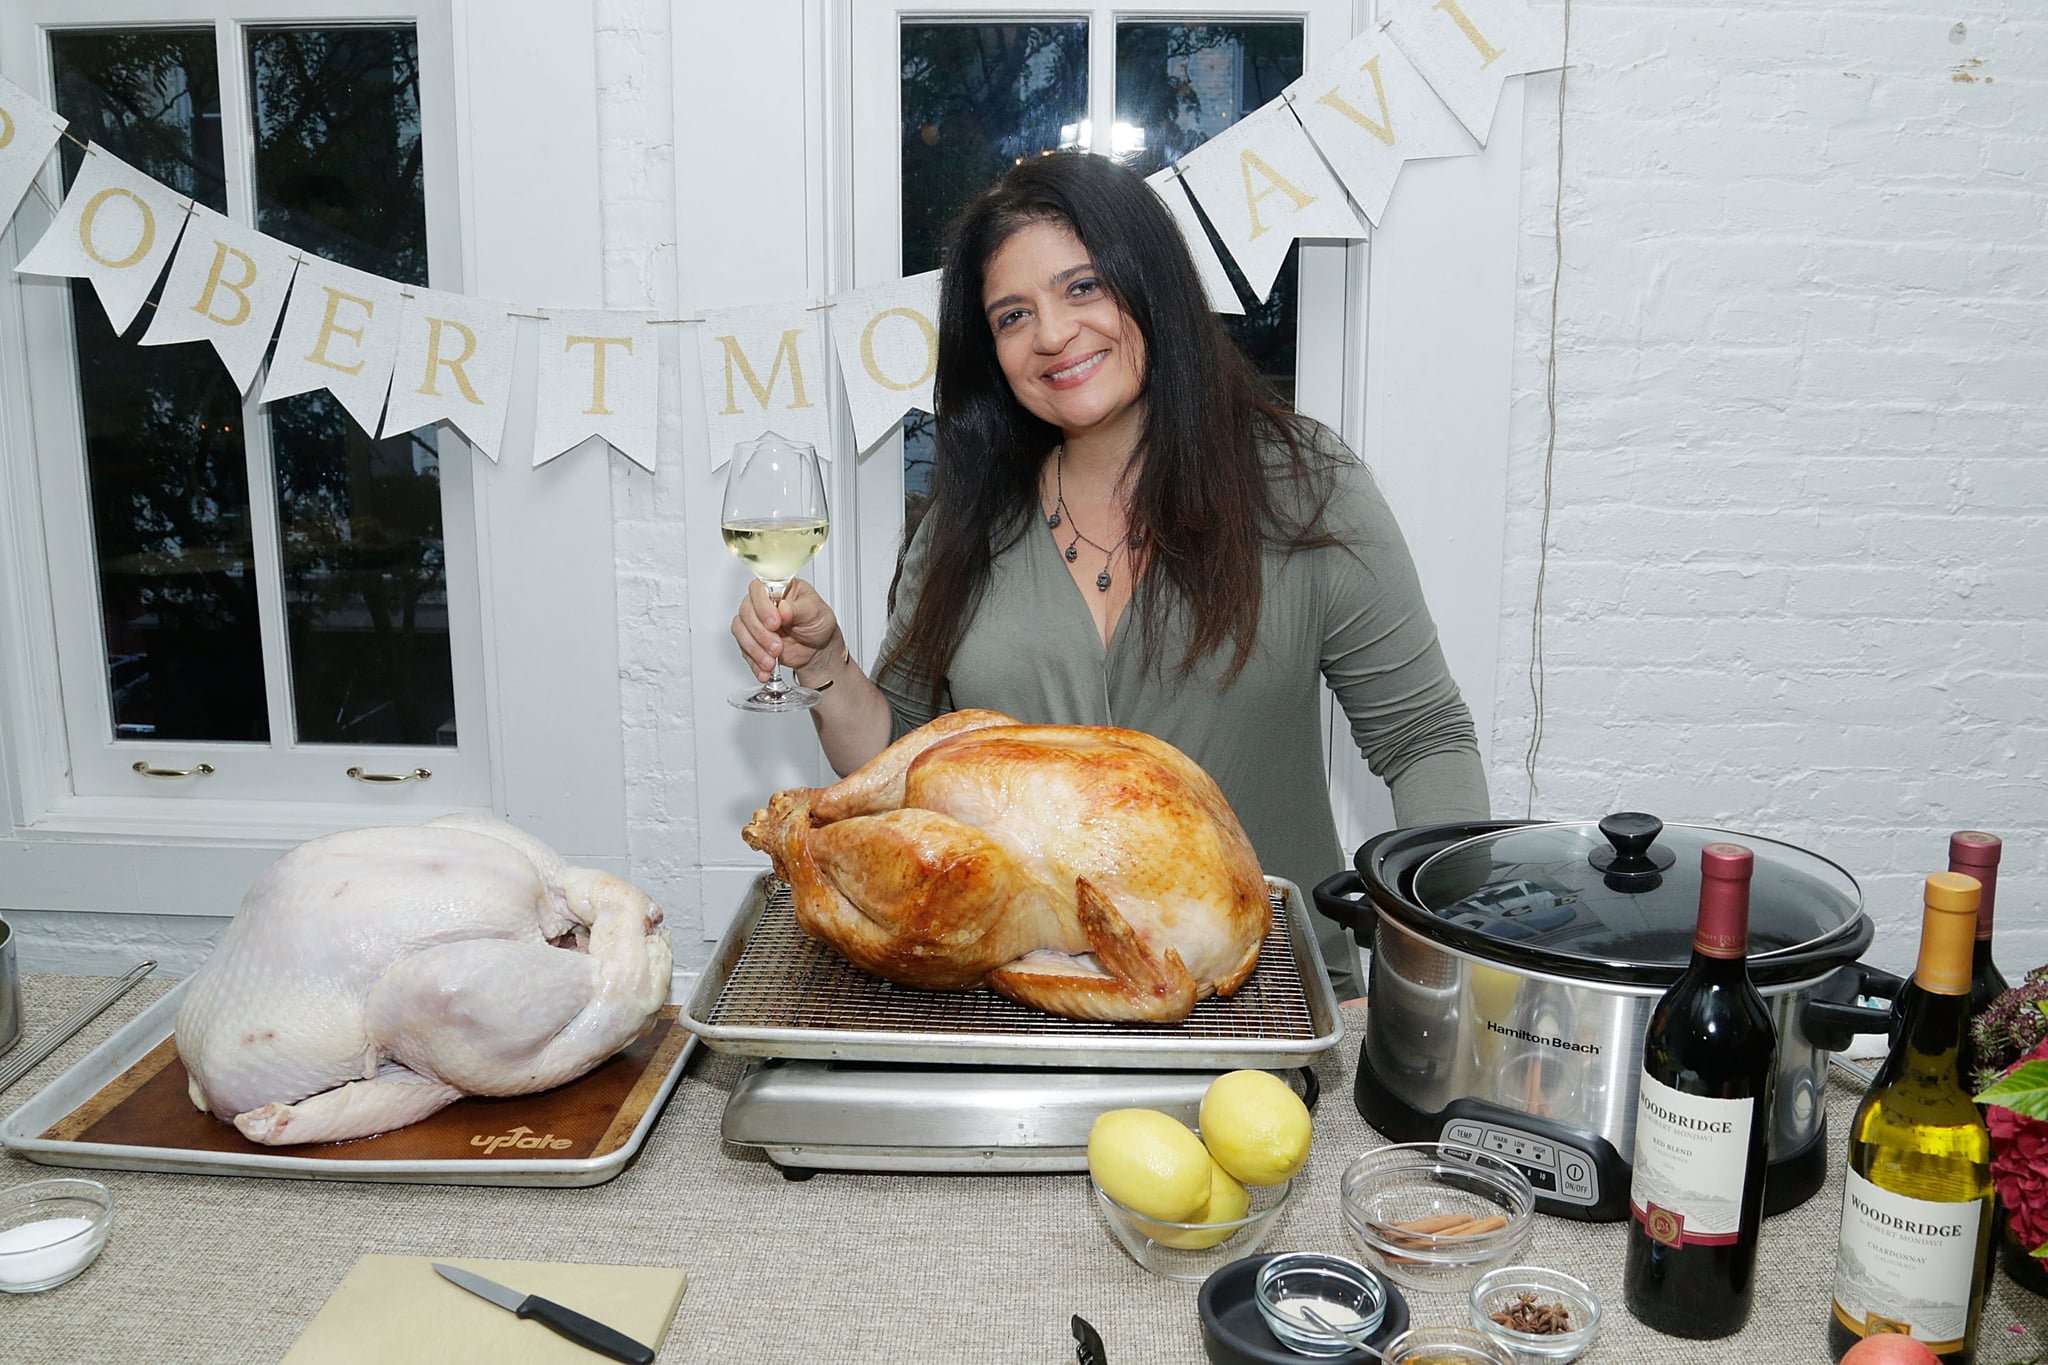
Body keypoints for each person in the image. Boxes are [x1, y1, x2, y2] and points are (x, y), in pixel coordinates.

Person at [731, 151, 1487, 999]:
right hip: (1020, 1004)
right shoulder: (963, 520)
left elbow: (1425, 739)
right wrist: (825, 663)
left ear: (1151, 287)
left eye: (1082, 288)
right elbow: (898, 762)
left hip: (1273, 999)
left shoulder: (1306, 485)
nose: (1053, 334)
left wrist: (1449, 975)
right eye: (1014, 315)